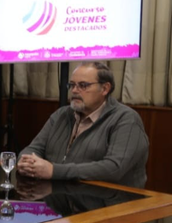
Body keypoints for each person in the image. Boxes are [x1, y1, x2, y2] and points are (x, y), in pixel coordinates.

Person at [17, 62, 149, 188]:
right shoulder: (62, 114)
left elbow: (114, 168)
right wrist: (26, 162)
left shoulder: (126, 119)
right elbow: (34, 148)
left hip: (111, 204)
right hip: (63, 197)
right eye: (72, 85)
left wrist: (54, 171)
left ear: (104, 88)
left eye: (83, 85)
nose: (74, 90)